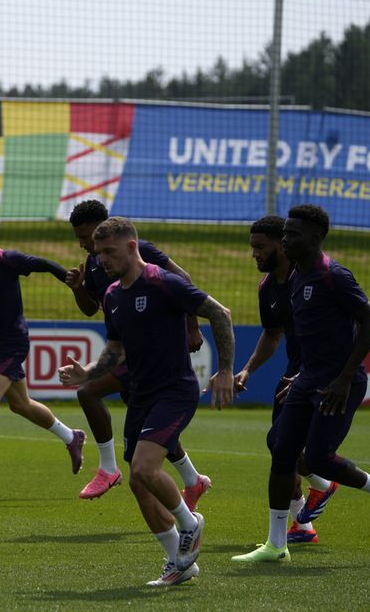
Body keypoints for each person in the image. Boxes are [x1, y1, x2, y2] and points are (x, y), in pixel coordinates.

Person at [59, 217, 235, 587]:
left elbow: (220, 313)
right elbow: (114, 351)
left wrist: (225, 370)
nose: (101, 259)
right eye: (99, 251)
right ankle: (179, 562)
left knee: (142, 469)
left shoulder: (162, 282)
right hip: (140, 394)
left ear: (132, 247)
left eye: (109, 251)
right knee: (141, 484)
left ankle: (191, 524)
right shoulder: (112, 295)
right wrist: (88, 372)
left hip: (174, 390)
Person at [233, 204, 370, 563]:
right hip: (306, 378)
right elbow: (300, 334)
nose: (285, 239)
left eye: (292, 234)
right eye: (285, 234)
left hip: (339, 383)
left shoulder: (334, 275)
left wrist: (343, 377)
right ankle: (276, 545)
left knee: (319, 459)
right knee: (280, 451)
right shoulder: (293, 278)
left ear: (314, 238)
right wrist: (301, 373)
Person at [64, 199, 210, 504]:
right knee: (152, 430)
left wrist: (192, 327)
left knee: (88, 391)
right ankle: (192, 480)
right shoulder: (94, 263)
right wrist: (79, 288)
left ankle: (108, 469)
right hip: (127, 352)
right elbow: (92, 309)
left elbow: (182, 280)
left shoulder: (137, 249)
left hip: (148, 354)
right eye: (79, 239)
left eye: (86, 236)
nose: (83, 245)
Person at [0, 212, 85, 486]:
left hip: (13, 341)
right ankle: (72, 437)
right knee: (21, 405)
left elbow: (41, 263)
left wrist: (66, 277)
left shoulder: (6, 259)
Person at [233, 215, 338, 544]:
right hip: (296, 368)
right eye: (252, 247)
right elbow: (272, 333)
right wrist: (248, 369)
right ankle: (304, 522)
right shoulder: (268, 288)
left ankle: (322, 484)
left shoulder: (309, 278)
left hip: (319, 371)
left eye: (261, 247)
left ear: (283, 245)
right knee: (278, 444)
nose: (255, 254)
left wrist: (322, 372)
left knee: (287, 446)